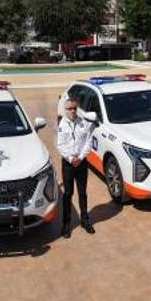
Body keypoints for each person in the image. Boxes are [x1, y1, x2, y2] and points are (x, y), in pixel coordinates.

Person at [57, 98, 95, 237]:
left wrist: (80, 157)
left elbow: (88, 141)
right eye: (69, 108)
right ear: (65, 110)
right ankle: (66, 224)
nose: (72, 111)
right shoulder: (62, 124)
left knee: (82, 193)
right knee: (68, 194)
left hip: (81, 162)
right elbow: (60, 145)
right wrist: (71, 158)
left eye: (74, 108)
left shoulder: (83, 123)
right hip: (68, 164)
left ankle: (85, 220)